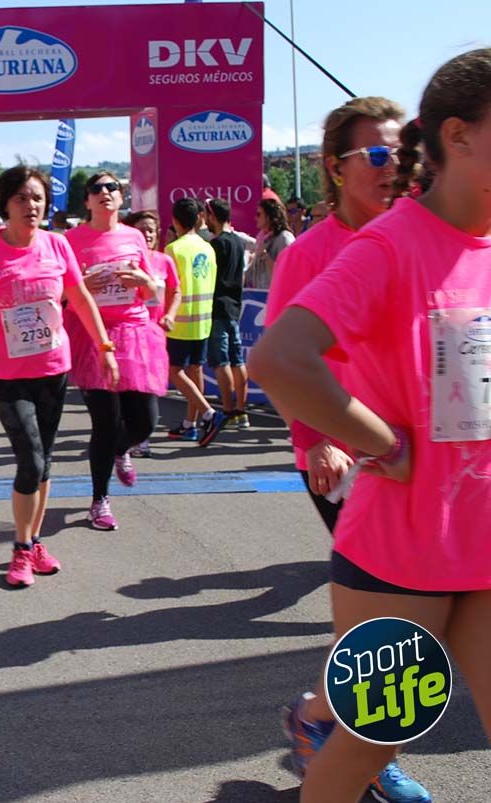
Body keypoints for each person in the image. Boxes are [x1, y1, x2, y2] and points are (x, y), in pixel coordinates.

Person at [250, 49, 491, 803]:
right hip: (401, 554)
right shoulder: (389, 245)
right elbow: (280, 358)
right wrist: (378, 440)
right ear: (457, 136)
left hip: (482, 542)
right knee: (366, 742)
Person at [263, 97, 429, 803]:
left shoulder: (421, 233)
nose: (397, 170)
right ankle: (347, 739)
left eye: (404, 155)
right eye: (380, 156)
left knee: (403, 622)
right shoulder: (308, 254)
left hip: (425, 459)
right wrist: (318, 441)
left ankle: (324, 721)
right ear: (336, 168)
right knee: (397, 619)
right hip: (349, 461)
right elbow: (281, 360)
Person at [0, 166, 118, 588]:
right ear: (5, 204)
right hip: (8, 376)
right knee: (31, 459)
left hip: (52, 370)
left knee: (44, 462)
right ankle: (21, 550)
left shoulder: (57, 245)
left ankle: (35, 541)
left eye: (38, 198)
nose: (32, 206)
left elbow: (79, 299)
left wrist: (104, 347)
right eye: (22, 198)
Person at [67, 173, 166, 530]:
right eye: (97, 189)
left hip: (135, 333)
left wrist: (145, 283)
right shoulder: (72, 240)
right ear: (87, 201)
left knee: (145, 421)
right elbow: (61, 294)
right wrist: (82, 286)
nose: (105, 193)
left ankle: (123, 449)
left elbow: (153, 291)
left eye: (112, 188)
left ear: (121, 198)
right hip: (94, 336)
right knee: (104, 423)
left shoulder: (134, 236)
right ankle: (99, 500)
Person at [164, 197, 223, 445]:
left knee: (174, 371)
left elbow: (168, 288)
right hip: (203, 318)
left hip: (180, 320)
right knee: (195, 369)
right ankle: (191, 423)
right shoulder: (208, 247)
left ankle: (208, 413)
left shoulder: (173, 250)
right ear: (199, 218)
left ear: (175, 220)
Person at [124, 209, 181, 459]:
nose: (147, 234)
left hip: (155, 334)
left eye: (151, 229)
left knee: (147, 389)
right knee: (130, 390)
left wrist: (169, 315)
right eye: (142, 229)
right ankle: (127, 437)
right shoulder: (125, 260)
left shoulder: (164, 260)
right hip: (127, 333)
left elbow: (176, 292)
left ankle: (140, 439)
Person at [204, 198, 251, 428]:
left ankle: (229, 410)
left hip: (218, 307)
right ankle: (241, 410)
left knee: (221, 361)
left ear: (212, 216)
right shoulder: (237, 242)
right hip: (234, 306)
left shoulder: (217, 244)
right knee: (237, 359)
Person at [250, 198, 295, 289]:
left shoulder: (285, 239)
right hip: (260, 297)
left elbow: (287, 274)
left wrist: (265, 256)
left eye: (259, 214)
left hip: (278, 295)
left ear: (269, 216)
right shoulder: (261, 238)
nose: (256, 218)